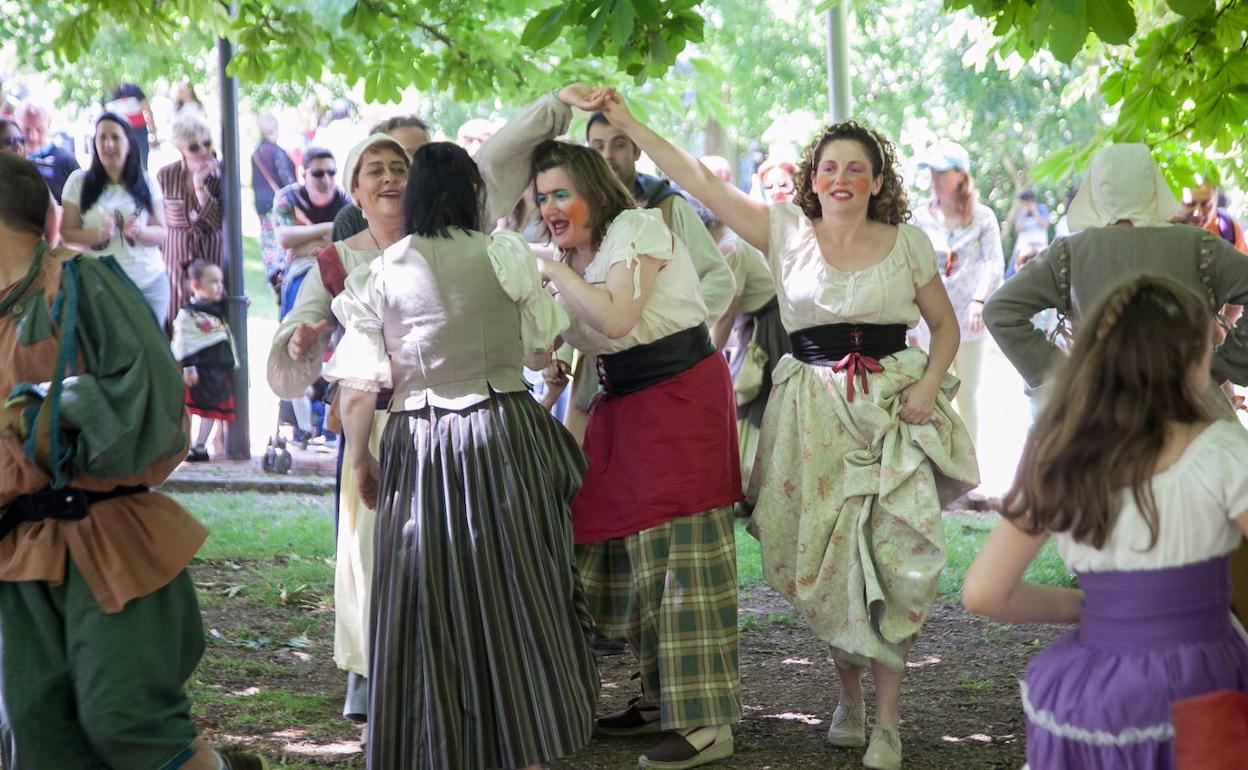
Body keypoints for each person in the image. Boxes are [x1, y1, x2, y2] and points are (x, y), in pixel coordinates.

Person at [595, 93, 979, 770]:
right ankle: (850, 699)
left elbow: (945, 328)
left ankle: (888, 722)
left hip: (891, 414)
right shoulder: (783, 230)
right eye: (830, 167)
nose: (841, 178)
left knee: (898, 560)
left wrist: (925, 387)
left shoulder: (908, 243)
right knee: (828, 562)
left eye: (856, 169)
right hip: (811, 415)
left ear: (878, 181)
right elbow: (700, 181)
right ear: (814, 176)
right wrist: (627, 126)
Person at [327, 139, 598, 770]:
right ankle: (527, 747)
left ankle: (438, 748)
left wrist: (361, 459)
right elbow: (536, 345)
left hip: (420, 444)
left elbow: (360, 388)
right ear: (473, 192)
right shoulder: (504, 254)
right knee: (518, 591)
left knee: (428, 601)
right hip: (504, 433)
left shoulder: (383, 271)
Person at [0, 153, 268, 770]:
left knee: (126, 720)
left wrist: (36, 409)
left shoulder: (80, 284)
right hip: (20, 555)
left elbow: (149, 401)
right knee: (40, 732)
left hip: (104, 537)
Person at [965, 276, 1248, 769]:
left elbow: (984, 592)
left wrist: (1091, 607)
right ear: (1194, 362)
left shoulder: (1058, 456)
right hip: (1203, 683)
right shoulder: (1222, 453)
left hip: (1097, 694)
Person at [530, 131, 743, 768]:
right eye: (541, 196)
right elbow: (545, 351)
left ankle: (707, 724)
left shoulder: (637, 229)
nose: (549, 206)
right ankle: (658, 699)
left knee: (683, 559)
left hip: (680, 397)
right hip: (621, 407)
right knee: (615, 549)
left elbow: (619, 320)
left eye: (561, 192)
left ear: (593, 192)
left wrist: (548, 269)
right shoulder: (571, 260)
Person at [984, 143, 1248, 630]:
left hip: (1101, 419)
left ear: (1095, 191)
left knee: (1116, 545)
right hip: (1195, 411)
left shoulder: (1070, 253)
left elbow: (1001, 310)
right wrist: (1221, 365)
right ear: (1154, 186)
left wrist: (1070, 375)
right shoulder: (1198, 247)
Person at [268, 132, 411, 726]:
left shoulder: (442, 247)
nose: (388, 178)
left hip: (440, 419)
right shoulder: (338, 258)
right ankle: (366, 670)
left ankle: (426, 665)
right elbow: (304, 318)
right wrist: (303, 334)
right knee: (367, 553)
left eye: (398, 167)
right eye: (373, 169)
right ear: (355, 188)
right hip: (369, 425)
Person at [560, 110, 735, 443]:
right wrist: (561, 358)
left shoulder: (666, 207)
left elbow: (719, 278)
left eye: (618, 145)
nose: (608, 155)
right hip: (597, 376)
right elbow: (570, 292)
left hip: (663, 378)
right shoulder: (576, 215)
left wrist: (665, 335)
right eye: (598, 146)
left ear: (636, 151)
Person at [912, 141, 1004, 442]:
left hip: (968, 321)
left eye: (942, 172)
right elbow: (908, 266)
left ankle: (969, 471)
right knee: (933, 394)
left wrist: (979, 300)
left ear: (961, 175)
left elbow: (993, 263)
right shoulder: (918, 217)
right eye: (932, 172)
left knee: (967, 394)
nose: (935, 179)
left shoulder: (983, 217)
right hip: (928, 322)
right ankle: (937, 473)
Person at [60, 112, 169, 326]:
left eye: (115, 137)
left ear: (129, 142)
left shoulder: (147, 181)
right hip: (99, 288)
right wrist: (98, 234)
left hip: (148, 284)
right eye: (102, 137)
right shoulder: (78, 182)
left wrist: (140, 232)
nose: (108, 144)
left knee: (149, 354)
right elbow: (66, 232)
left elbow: (162, 232)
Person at [159, 111, 224, 327]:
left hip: (208, 258)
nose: (203, 150)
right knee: (175, 323)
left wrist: (199, 187)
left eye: (207, 143)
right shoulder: (165, 175)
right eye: (194, 146)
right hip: (174, 263)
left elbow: (215, 221)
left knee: (209, 324)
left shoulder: (220, 175)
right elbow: (161, 219)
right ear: (180, 148)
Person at [172, 260, 238, 462]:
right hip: (199, 371)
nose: (220, 286)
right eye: (214, 281)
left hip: (218, 372)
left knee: (211, 409)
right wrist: (189, 366)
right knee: (191, 409)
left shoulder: (221, 308)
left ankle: (200, 445)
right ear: (196, 286)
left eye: (221, 281)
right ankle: (187, 445)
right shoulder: (188, 315)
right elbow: (184, 341)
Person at [332, 115, 430, 241]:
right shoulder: (351, 221)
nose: (417, 165)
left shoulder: (444, 213)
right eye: (406, 156)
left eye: (426, 157)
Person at [0, 117, 59, 245]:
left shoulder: (32, 179)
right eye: (9, 141)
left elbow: (52, 214)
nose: (18, 147)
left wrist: (45, 254)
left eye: (20, 141)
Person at [17, 101, 79, 203]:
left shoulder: (66, 161)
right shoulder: (10, 161)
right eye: (26, 130)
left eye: (39, 129)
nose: (33, 137)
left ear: (49, 124)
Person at [251, 113, 297, 222]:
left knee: (268, 236)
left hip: (261, 205)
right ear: (275, 129)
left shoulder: (255, 154)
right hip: (279, 205)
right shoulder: (277, 152)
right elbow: (287, 181)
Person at [104, 82, 157, 168]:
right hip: (120, 137)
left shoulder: (133, 90)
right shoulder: (106, 98)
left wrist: (154, 134)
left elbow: (148, 111)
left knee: (142, 166)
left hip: (139, 136)